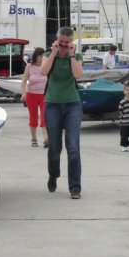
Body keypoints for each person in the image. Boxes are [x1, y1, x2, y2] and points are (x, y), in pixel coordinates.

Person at [40, 26, 84, 199]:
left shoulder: (77, 57)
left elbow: (78, 75)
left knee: (73, 147)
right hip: (53, 105)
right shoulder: (48, 54)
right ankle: (53, 174)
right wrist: (53, 52)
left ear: (72, 43)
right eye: (61, 42)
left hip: (72, 105)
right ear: (56, 41)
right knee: (54, 147)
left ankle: (75, 187)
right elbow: (43, 71)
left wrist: (72, 55)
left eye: (67, 43)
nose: (64, 46)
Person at [21, 47, 48, 148]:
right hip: (31, 95)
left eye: (43, 56)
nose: (42, 58)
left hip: (44, 95)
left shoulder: (47, 66)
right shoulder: (29, 66)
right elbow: (24, 82)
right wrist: (23, 93)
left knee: (45, 117)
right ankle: (34, 138)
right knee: (33, 117)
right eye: (40, 56)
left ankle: (46, 139)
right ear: (36, 56)